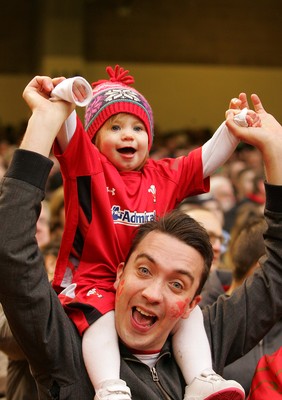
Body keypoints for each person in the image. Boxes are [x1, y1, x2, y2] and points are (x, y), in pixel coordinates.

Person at [0, 77, 281, 400]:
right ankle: (110, 388)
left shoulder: (210, 336)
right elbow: (11, 252)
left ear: (193, 302)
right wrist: (46, 120)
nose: (153, 294)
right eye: (145, 270)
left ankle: (203, 377)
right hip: (89, 287)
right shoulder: (66, 350)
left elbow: (277, 271)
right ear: (120, 272)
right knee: (98, 321)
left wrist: (273, 148)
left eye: (178, 283)